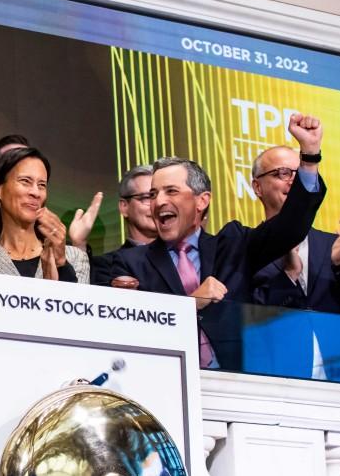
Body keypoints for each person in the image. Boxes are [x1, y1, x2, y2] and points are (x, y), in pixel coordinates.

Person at [111, 113, 327, 371]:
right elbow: (125, 332)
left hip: (237, 389)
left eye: (171, 191)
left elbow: (291, 226)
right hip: (165, 383)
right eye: (153, 194)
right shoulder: (129, 263)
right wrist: (190, 305)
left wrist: (310, 155)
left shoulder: (234, 246)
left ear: (202, 201)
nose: (158, 202)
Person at [244, 145, 340, 383]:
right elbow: (246, 323)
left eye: (298, 174)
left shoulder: (336, 246)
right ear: (257, 186)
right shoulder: (245, 247)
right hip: (278, 385)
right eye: (282, 173)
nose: (293, 182)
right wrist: (286, 277)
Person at [0, 146, 90, 282]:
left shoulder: (75, 258)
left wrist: (60, 264)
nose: (36, 193)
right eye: (25, 181)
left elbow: (77, 303)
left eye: (41, 185)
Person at [91, 165, 158, 287]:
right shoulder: (106, 266)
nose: (156, 205)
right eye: (147, 198)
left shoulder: (183, 256)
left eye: (158, 197)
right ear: (124, 207)